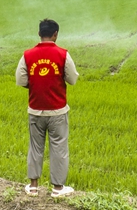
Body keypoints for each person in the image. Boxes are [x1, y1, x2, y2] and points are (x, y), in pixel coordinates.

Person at [15, 18, 79, 197]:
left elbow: (21, 80)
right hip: (58, 110)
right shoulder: (63, 54)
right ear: (56, 34)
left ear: (38, 34)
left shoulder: (27, 55)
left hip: (35, 110)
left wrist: (36, 83)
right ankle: (58, 189)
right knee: (58, 147)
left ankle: (33, 187)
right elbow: (72, 79)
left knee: (35, 146)